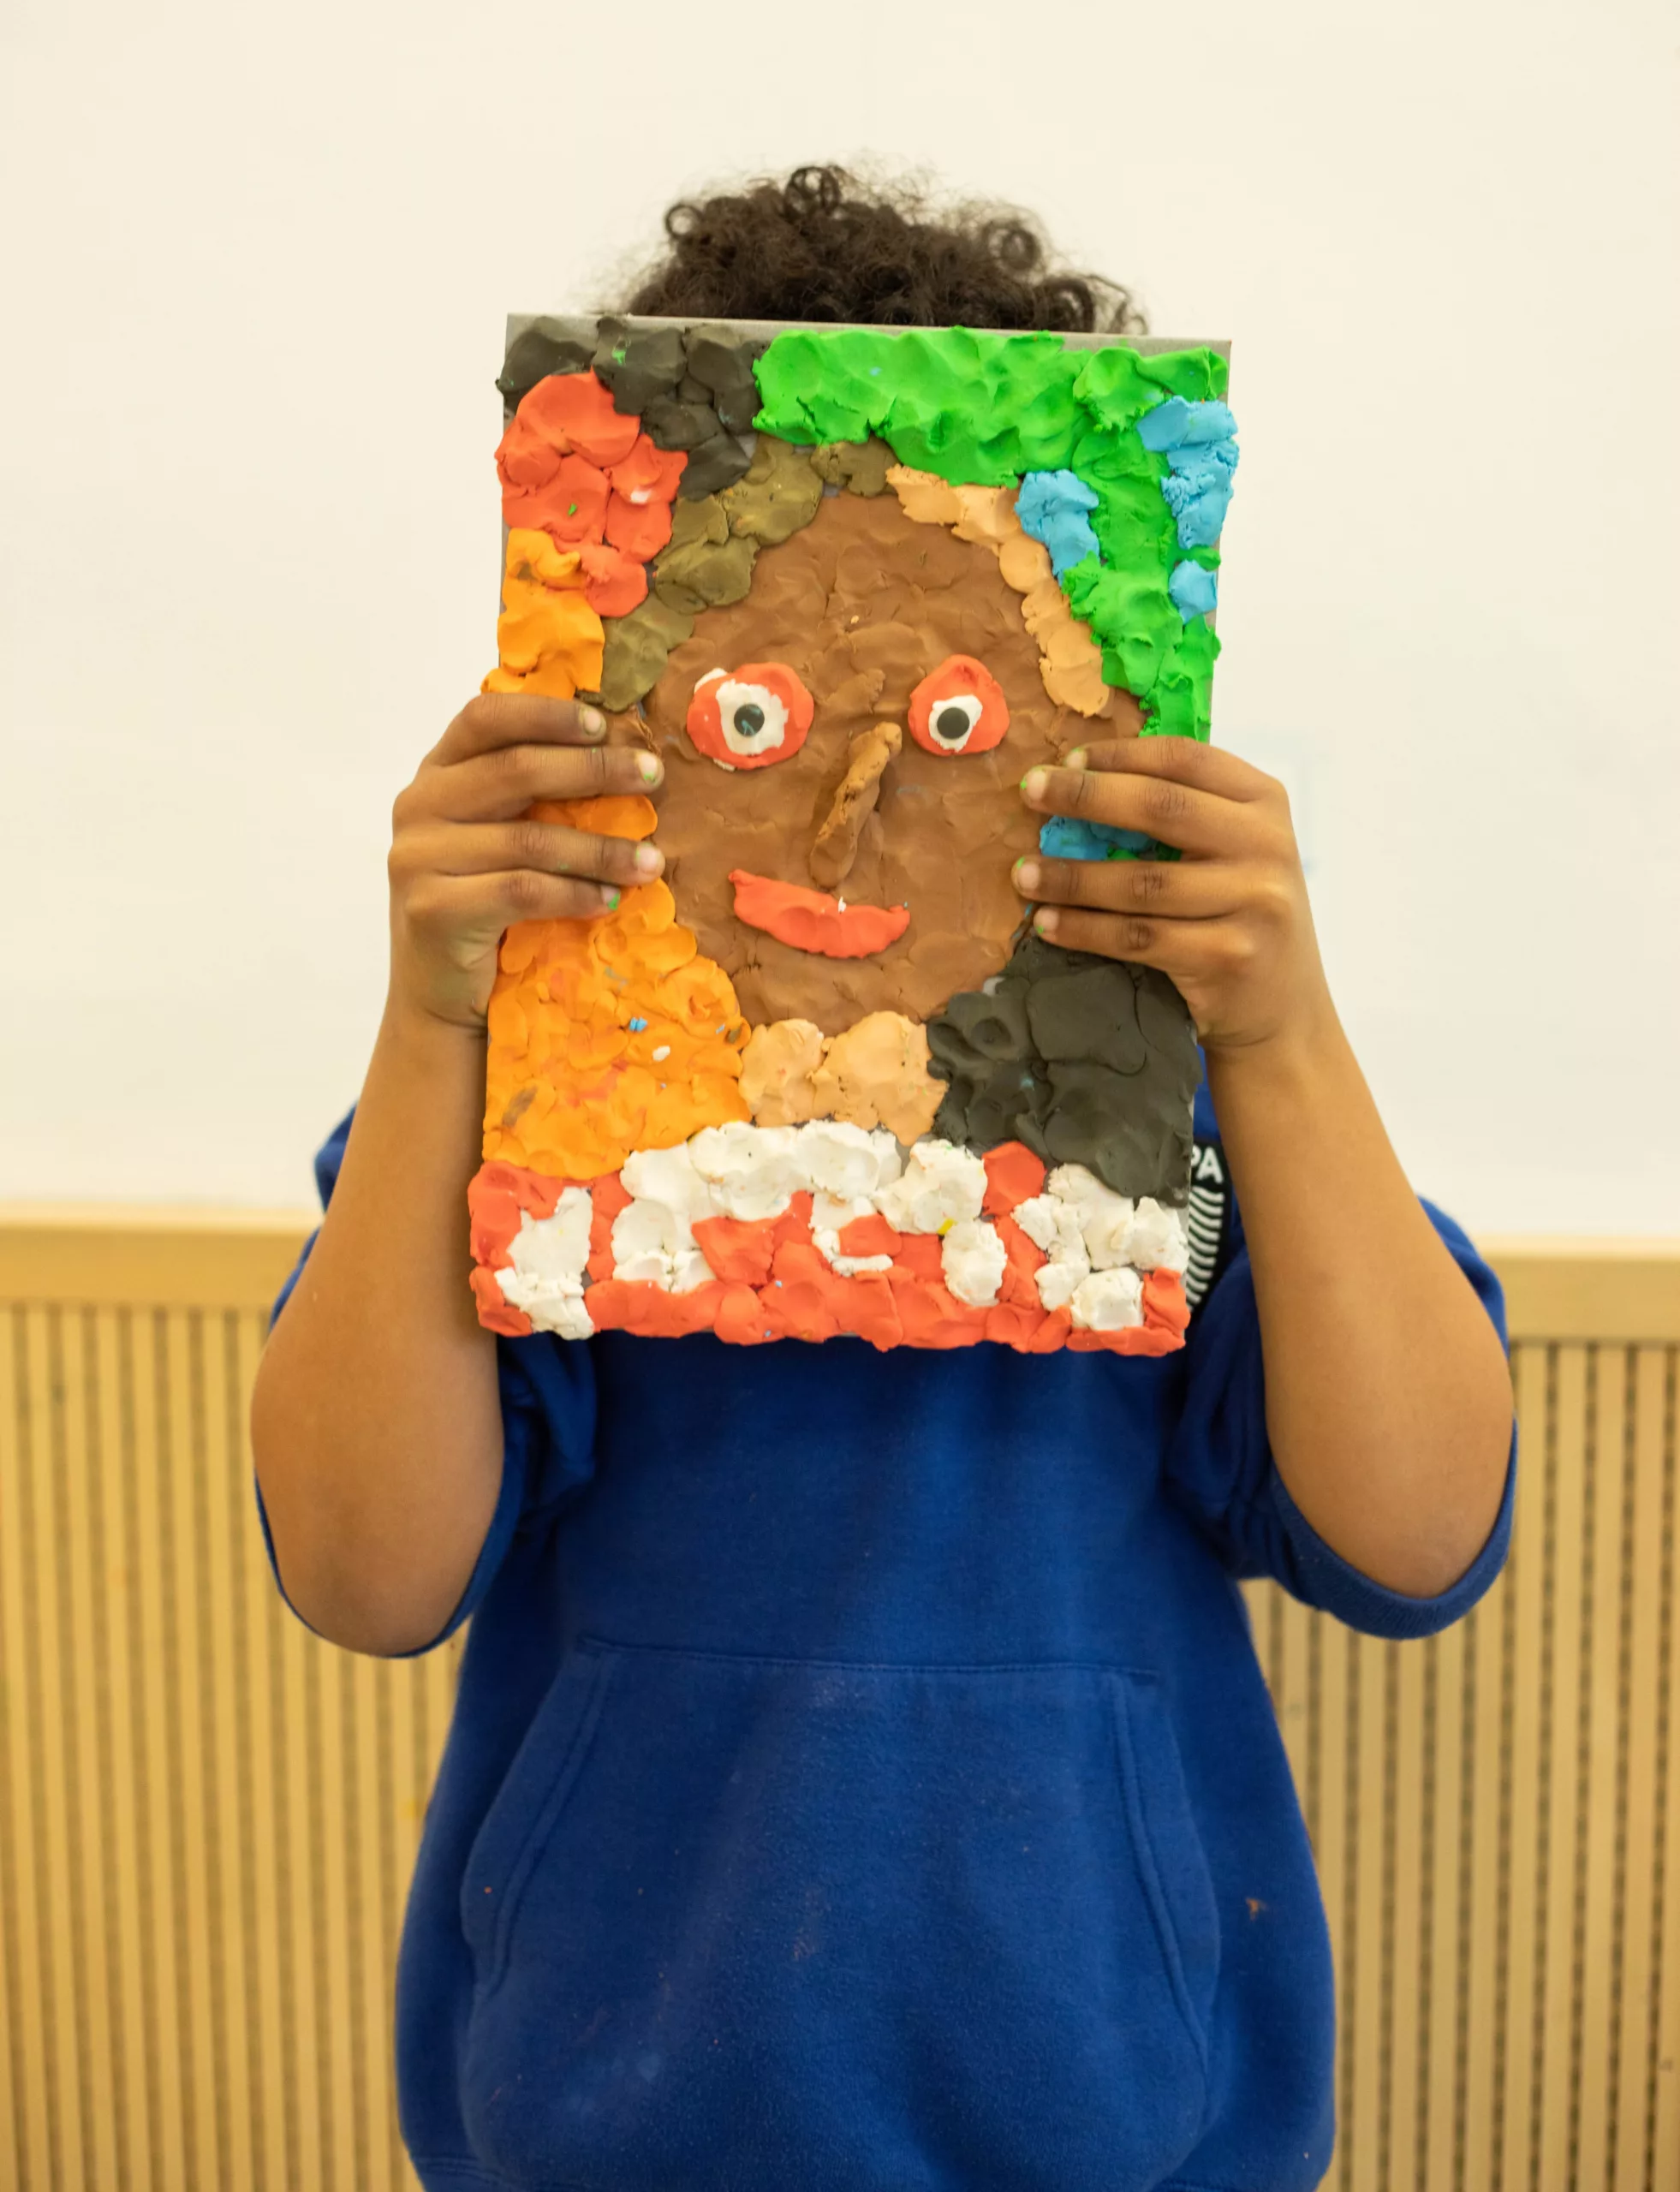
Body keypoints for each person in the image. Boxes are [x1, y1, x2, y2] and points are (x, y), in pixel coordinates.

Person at [251, 166, 1516, 2192]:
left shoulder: (1181, 1135)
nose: (853, 800)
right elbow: (362, 1572)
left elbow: (1418, 1540)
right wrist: (434, 1023)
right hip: (603, 2127)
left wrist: (1276, 1038)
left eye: (947, 715)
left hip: (1124, 2134)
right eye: (756, 711)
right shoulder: (529, 1130)